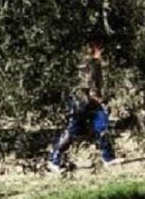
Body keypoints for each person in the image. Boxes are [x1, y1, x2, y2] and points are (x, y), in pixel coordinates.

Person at [48, 40, 116, 172]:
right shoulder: (89, 64)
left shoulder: (93, 63)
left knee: (101, 126)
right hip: (80, 101)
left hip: (88, 101)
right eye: (100, 48)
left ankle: (108, 158)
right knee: (72, 131)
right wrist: (98, 98)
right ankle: (54, 160)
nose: (102, 52)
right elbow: (89, 85)